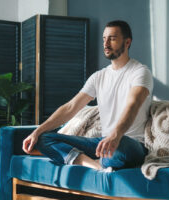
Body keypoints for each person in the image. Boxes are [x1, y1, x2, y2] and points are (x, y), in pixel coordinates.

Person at [22, 20, 153, 171]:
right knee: (44, 138)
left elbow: (133, 105)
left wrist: (116, 136)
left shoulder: (140, 72)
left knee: (120, 149)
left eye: (112, 38)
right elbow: (71, 107)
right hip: (102, 143)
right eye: (104, 38)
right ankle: (92, 164)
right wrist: (37, 131)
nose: (106, 43)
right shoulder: (98, 77)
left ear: (127, 42)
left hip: (130, 143)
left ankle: (101, 159)